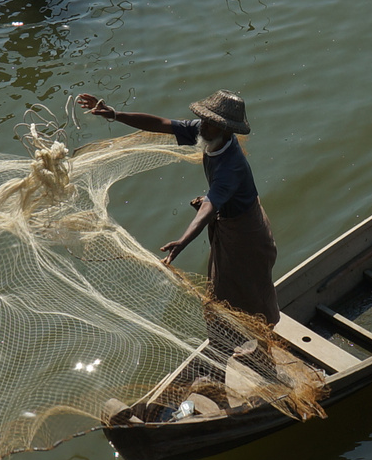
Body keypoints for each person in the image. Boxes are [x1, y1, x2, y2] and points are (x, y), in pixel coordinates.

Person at [76, 90, 279, 331]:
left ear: (225, 130)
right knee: (225, 285)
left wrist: (182, 241)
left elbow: (209, 205)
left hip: (246, 233)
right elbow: (160, 124)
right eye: (203, 119)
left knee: (249, 290)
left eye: (210, 123)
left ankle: (261, 336)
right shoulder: (208, 132)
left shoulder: (230, 168)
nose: (202, 127)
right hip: (228, 223)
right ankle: (237, 330)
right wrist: (114, 114)